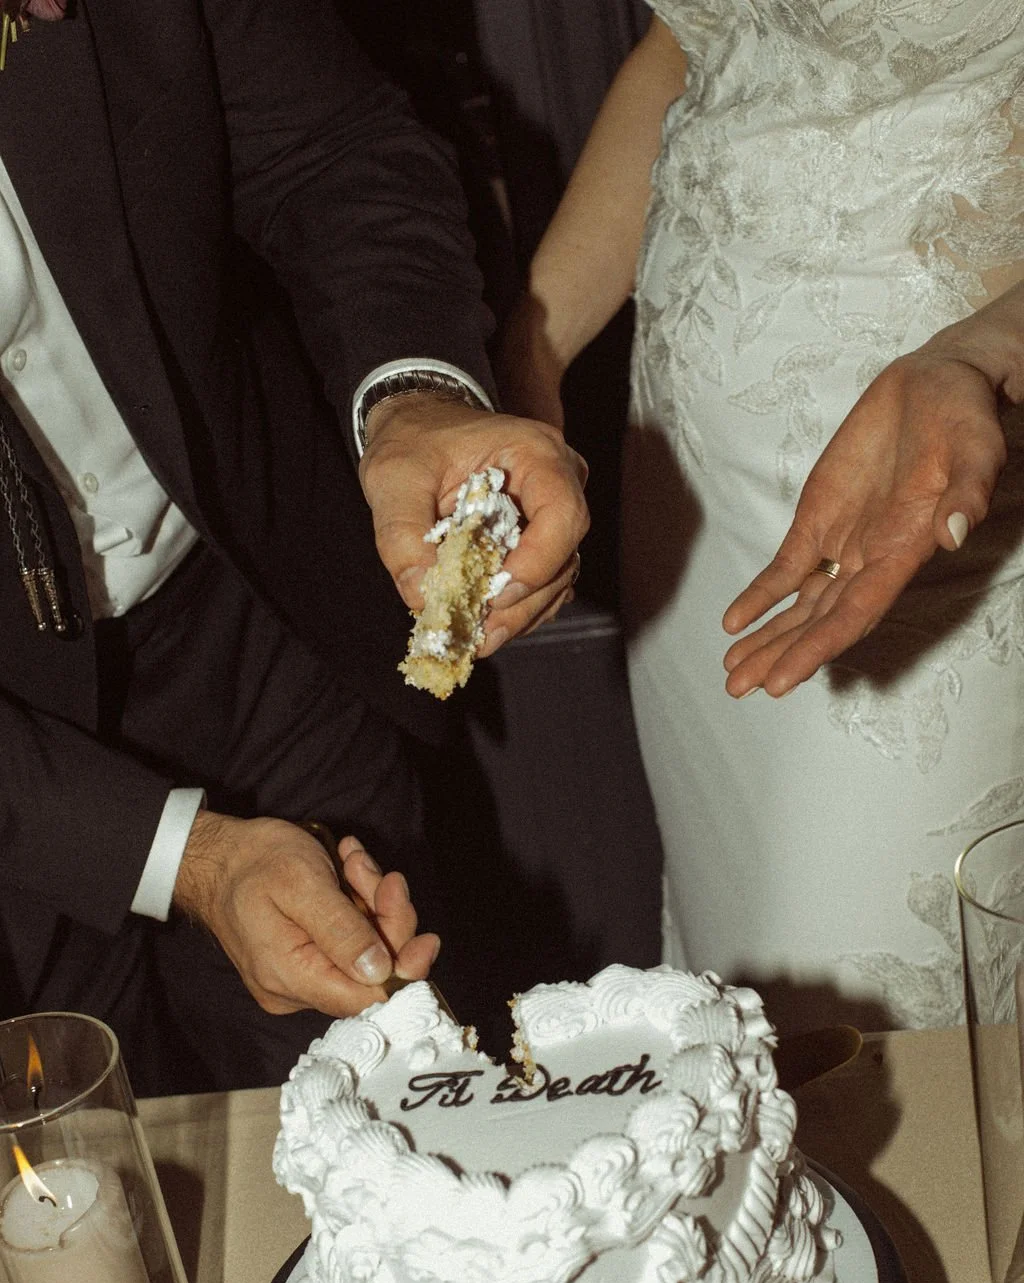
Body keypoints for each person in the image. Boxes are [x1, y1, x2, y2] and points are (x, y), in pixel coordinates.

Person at [0, 0, 587, 1094]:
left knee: (394, 1116)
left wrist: (414, 398)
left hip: (250, 624)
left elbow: (332, 149)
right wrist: (192, 859)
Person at [498, 10, 1024, 1032]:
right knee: (736, 980)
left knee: (863, 1021)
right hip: (689, 478)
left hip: (932, 478)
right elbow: (696, 40)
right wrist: (530, 353)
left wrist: (992, 345)